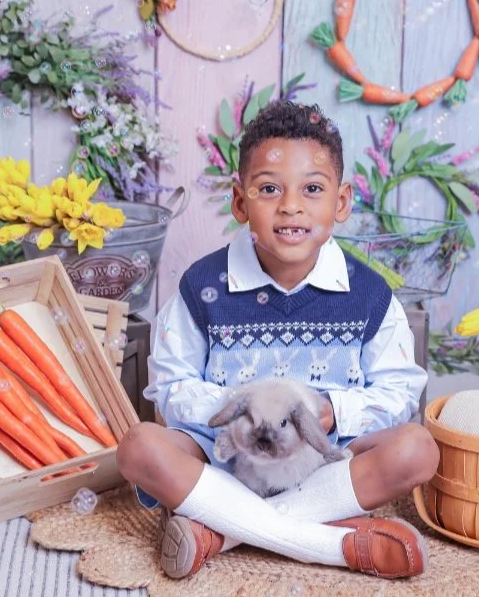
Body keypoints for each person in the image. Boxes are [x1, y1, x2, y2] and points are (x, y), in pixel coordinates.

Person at [116, 100, 438, 581]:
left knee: (418, 449)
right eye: (269, 189)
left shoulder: (369, 294)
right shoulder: (205, 285)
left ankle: (221, 531)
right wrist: (242, 410)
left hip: (327, 463)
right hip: (225, 454)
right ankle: (328, 544)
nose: (291, 206)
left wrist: (332, 412)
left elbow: (398, 391)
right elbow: (170, 382)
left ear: (342, 202)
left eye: (312, 189)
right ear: (241, 202)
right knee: (139, 446)